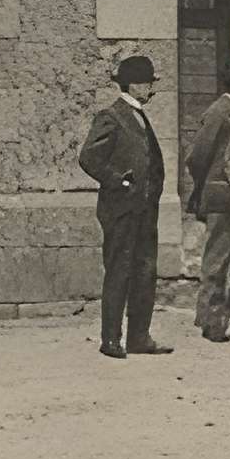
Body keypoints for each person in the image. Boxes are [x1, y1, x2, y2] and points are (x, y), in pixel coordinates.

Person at [76, 55, 173, 359]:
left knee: (145, 271)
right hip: (120, 210)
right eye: (147, 83)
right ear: (134, 85)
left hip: (144, 211)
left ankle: (139, 338)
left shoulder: (140, 115)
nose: (151, 88)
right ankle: (111, 339)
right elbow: (89, 158)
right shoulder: (111, 116)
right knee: (119, 271)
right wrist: (120, 181)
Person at [182, 58, 230, 342]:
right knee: (217, 260)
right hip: (220, 196)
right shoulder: (220, 111)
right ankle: (209, 320)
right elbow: (197, 156)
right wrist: (211, 184)